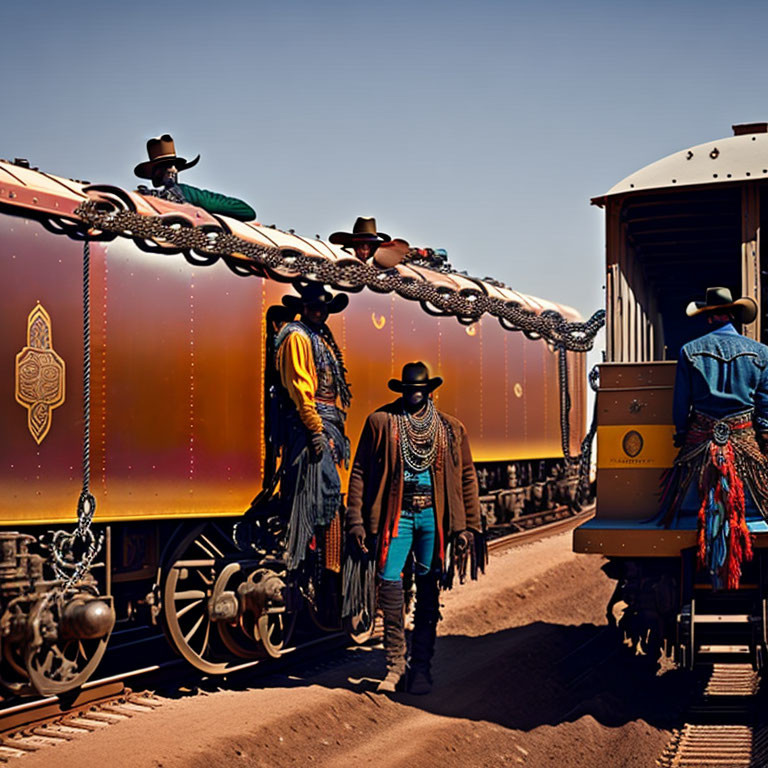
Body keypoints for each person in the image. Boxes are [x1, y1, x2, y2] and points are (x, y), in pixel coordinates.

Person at [345, 362, 483, 694]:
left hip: (431, 520)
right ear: (402, 391)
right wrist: (356, 520)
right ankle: (395, 666)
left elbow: (467, 477)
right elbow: (360, 471)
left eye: (420, 390)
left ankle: (421, 667)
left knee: (428, 589)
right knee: (389, 583)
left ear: (430, 391)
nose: (415, 395)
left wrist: (467, 527)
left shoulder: (451, 429)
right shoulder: (381, 422)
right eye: (409, 390)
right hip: (398, 518)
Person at [660, 287, 768, 589]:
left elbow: (681, 405)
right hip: (744, 439)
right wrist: (764, 435)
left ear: (709, 318)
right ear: (735, 316)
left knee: (689, 502)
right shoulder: (761, 352)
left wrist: (682, 434)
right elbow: (765, 403)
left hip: (701, 442)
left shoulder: (689, 350)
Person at [274, 281, 351, 573]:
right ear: (304, 308)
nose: (319, 312)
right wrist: (315, 429)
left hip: (325, 424)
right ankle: (325, 568)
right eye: (314, 307)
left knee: (327, 494)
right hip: (311, 426)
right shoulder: (298, 337)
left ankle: (326, 567)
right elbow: (300, 388)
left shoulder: (319, 336)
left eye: (323, 308)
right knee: (324, 494)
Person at [134, 134, 257, 221]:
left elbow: (246, 211)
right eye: (166, 166)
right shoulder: (140, 198)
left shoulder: (188, 193)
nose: (173, 170)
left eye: (173, 166)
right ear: (155, 173)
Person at [329, 216, 408, 268]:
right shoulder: (344, 258)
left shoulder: (377, 263)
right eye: (361, 245)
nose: (365, 250)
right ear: (355, 246)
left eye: (369, 245)